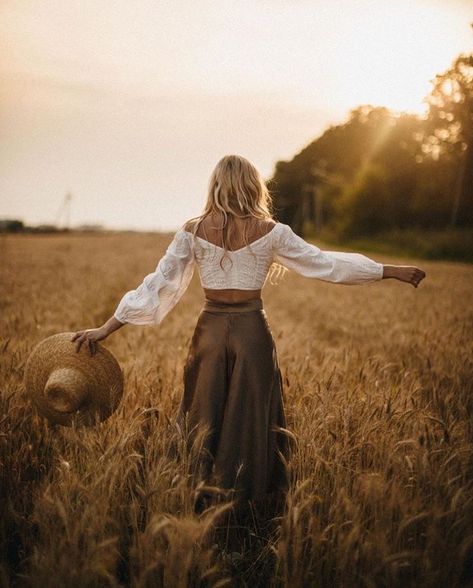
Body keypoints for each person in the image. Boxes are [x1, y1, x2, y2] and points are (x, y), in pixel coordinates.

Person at [71, 154, 426, 519]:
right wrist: (387, 270)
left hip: (208, 332)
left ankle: (197, 495)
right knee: (253, 415)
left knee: (203, 412)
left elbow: (157, 284)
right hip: (252, 332)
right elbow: (326, 264)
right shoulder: (271, 231)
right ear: (254, 185)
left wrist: (107, 328)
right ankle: (250, 503)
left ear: (216, 185)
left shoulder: (193, 231)